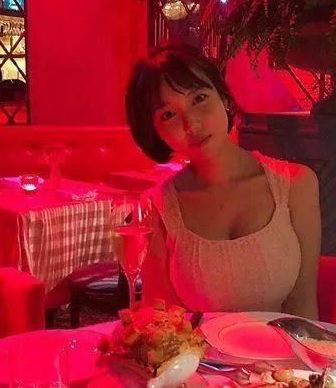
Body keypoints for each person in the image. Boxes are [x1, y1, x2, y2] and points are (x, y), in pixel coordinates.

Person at [126, 45, 321, 319]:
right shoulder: (157, 208)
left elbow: (303, 303)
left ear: (224, 98)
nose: (191, 124)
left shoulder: (296, 185)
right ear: (156, 132)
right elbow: (163, 321)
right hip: (197, 348)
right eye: (168, 114)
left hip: (280, 346)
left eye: (199, 98)